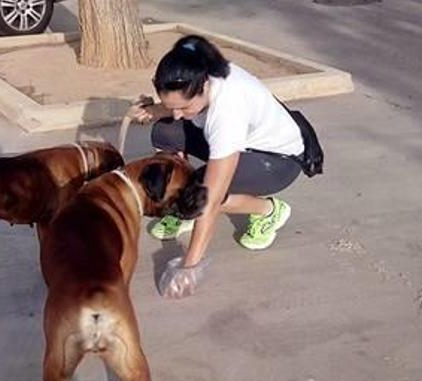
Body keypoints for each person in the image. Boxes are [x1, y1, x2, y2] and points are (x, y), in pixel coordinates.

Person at [130, 35, 308, 298]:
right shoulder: (195, 63)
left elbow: (210, 198)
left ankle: (268, 211)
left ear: (203, 86)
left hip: (276, 161)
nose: (178, 114)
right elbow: (178, 107)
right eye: (172, 105)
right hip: (244, 142)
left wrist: (189, 267)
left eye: (184, 107)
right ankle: (180, 207)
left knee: (202, 189)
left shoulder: (228, 113)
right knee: (166, 131)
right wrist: (157, 110)